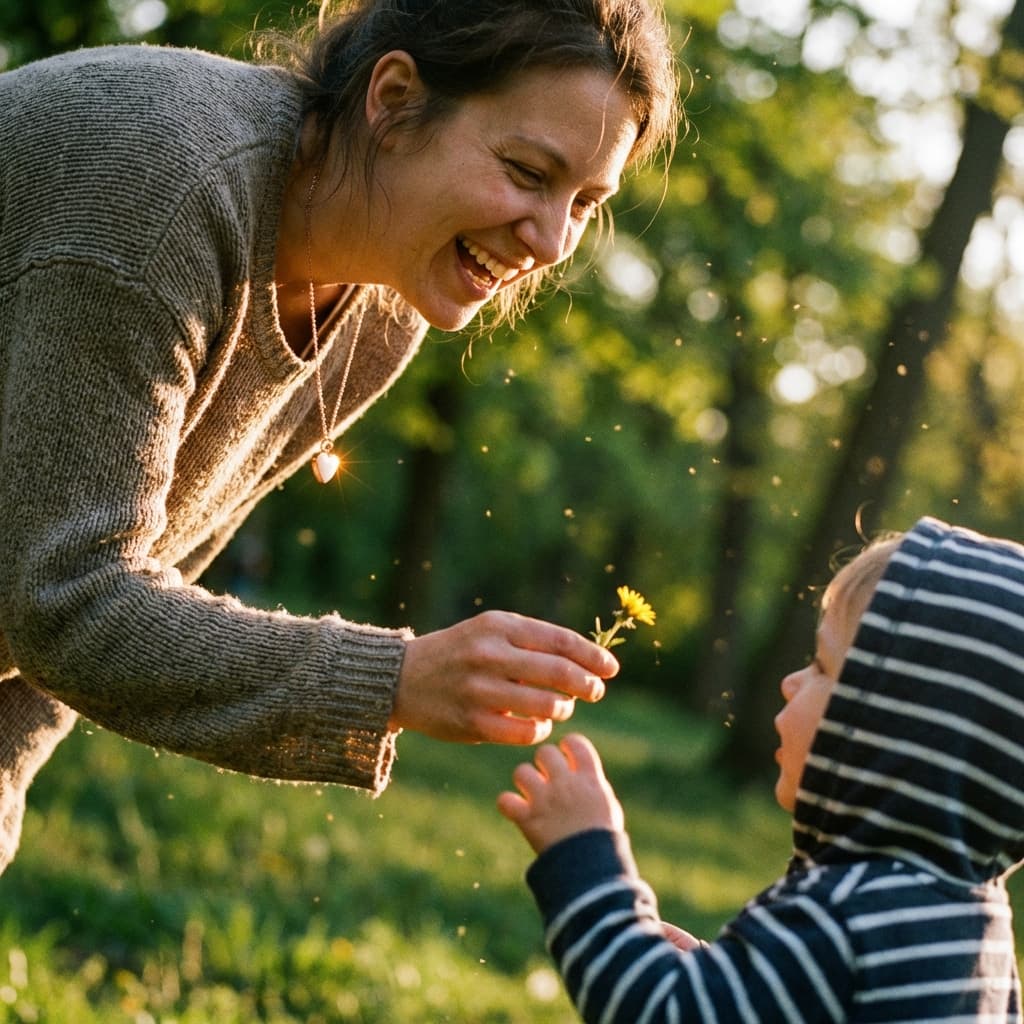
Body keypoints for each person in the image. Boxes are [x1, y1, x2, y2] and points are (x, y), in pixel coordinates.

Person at [0, 0, 681, 874]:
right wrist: (394, 681)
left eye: (585, 203)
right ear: (394, 99)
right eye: (526, 171)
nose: (551, 243)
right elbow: (70, 597)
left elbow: (113, 589)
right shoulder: (162, 188)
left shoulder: (382, 313)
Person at [498, 516, 1024, 1022]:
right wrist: (728, 980)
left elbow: (658, 1012)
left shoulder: (845, 916)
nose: (791, 683)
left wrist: (585, 858)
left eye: (821, 666)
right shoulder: (978, 928)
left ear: (889, 729)